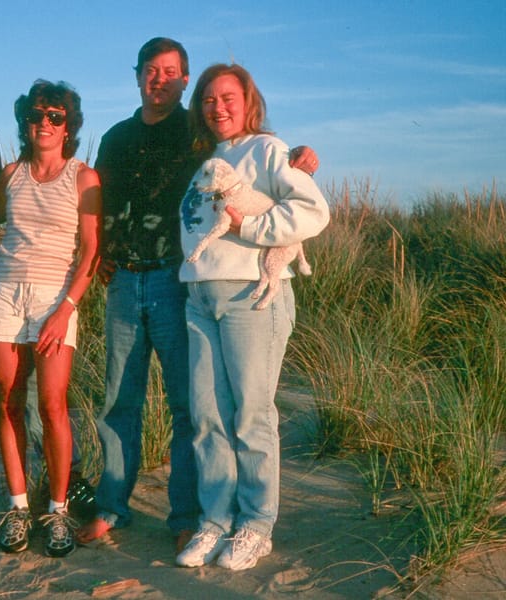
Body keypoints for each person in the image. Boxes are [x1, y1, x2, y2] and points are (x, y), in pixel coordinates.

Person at [77, 37, 318, 553]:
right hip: (137, 282)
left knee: (198, 408)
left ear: (184, 80)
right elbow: (99, 200)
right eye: (151, 70)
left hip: (178, 279)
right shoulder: (120, 137)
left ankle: (192, 516)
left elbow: (260, 160)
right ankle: (117, 507)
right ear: (137, 74)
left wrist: (299, 157)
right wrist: (99, 253)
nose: (160, 80)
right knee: (128, 401)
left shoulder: (196, 135)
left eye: (171, 72)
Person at [174, 63, 329, 571]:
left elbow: (312, 212)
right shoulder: (209, 157)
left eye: (228, 98)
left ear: (248, 101)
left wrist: (254, 227)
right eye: (208, 100)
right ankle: (215, 521)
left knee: (252, 416)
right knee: (207, 417)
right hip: (199, 298)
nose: (218, 108)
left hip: (251, 298)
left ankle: (256, 525)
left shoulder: (267, 148)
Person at [0, 80, 101, 558]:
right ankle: (18, 507)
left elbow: (90, 249)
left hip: (55, 298)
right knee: (9, 400)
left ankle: (57, 510)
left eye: (54, 116)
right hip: (5, 293)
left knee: (52, 404)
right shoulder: (10, 174)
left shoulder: (83, 177)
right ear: (24, 122)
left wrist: (65, 308)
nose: (43, 123)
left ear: (68, 125)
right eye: (35, 115)